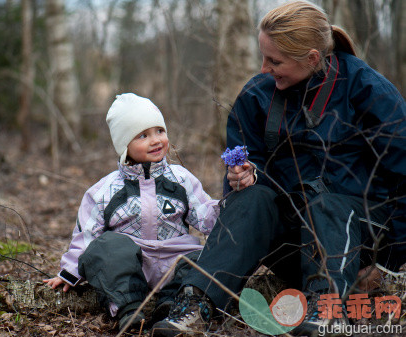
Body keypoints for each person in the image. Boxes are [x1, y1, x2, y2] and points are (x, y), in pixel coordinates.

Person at [152, 1, 405, 336]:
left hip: (357, 246)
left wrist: (387, 264)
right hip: (289, 245)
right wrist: (242, 179)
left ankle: (327, 310)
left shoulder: (368, 90)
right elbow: (240, 201)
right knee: (252, 198)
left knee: (327, 201)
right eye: (262, 56)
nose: (264, 68)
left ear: (312, 58)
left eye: (275, 60)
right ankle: (196, 305)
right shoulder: (256, 97)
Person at [43, 93, 220, 332]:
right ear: (124, 145)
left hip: (174, 259)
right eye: (143, 135)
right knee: (105, 246)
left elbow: (205, 216)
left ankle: (171, 304)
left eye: (160, 131)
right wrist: (69, 272)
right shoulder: (105, 190)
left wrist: (226, 207)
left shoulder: (181, 179)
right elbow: (86, 234)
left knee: (203, 257)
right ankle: (130, 309)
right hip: (130, 266)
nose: (156, 140)